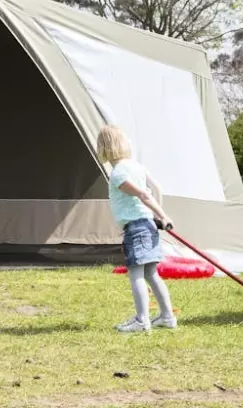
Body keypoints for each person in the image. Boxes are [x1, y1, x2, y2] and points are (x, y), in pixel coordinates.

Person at [97, 124, 177, 333]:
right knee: (151, 273)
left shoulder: (118, 174)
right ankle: (167, 317)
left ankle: (142, 320)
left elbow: (144, 194)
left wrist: (162, 215)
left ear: (104, 147)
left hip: (136, 228)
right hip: (147, 224)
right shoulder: (136, 166)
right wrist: (157, 218)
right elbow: (156, 188)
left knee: (136, 274)